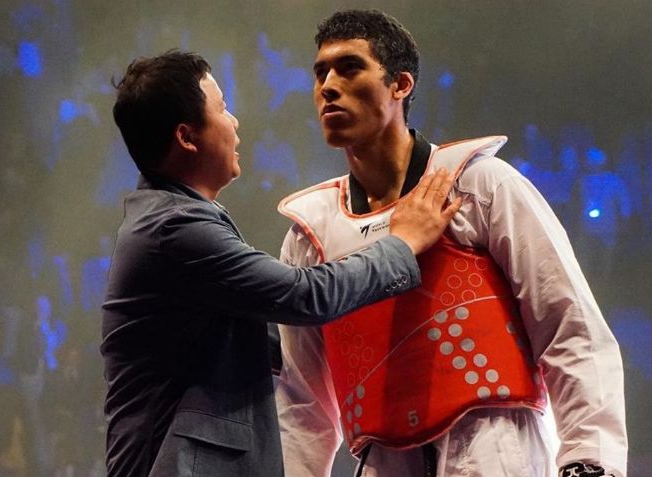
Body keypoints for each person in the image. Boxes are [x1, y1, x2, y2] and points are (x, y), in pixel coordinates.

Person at [275, 10, 627, 477]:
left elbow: (568, 324)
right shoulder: (309, 234)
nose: (328, 86)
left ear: (400, 85)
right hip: (381, 458)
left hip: (491, 444)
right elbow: (302, 403)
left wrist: (590, 460)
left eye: (349, 68)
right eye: (320, 73)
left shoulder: (481, 185)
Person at [102, 49, 462, 477]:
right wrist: (402, 243)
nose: (234, 122)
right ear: (186, 136)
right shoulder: (174, 227)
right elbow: (303, 294)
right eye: (222, 108)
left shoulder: (171, 220)